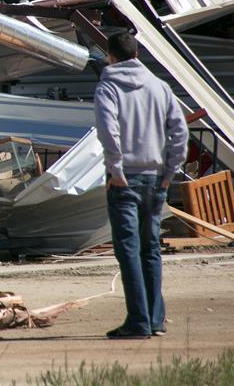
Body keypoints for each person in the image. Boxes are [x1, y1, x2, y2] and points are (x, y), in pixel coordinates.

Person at [94, 32, 188, 339]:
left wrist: (116, 168)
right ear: (137, 54)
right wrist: (170, 171)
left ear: (110, 56)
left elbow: (109, 130)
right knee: (151, 250)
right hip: (155, 178)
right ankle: (155, 319)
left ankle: (138, 321)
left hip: (125, 179)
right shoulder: (160, 87)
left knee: (129, 251)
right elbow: (180, 132)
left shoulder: (108, 86)